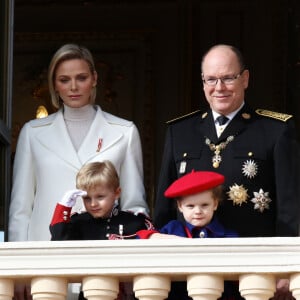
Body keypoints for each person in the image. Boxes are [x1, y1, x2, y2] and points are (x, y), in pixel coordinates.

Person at [154, 44, 299, 299]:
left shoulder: (275, 130)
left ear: (245, 79)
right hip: (188, 274)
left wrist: (287, 266)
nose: (219, 87)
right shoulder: (180, 131)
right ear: (203, 82)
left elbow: (290, 207)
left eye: (228, 78)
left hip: (253, 272)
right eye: (211, 79)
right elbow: (164, 209)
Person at [9, 43, 149, 243]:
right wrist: (19, 262)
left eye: (81, 78)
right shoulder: (32, 133)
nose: (73, 87)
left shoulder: (124, 132)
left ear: (94, 78)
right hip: (44, 249)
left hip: (106, 251)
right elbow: (20, 209)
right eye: (64, 80)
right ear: (54, 84)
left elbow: (134, 205)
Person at [50, 160, 154, 300]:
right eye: (87, 198)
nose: (93, 204)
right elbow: (58, 243)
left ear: (117, 193)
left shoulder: (135, 222)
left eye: (100, 197)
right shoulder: (78, 222)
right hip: (90, 293)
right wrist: (63, 209)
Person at [137, 170, 239, 300]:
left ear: (215, 203)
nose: (198, 211)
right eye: (190, 206)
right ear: (180, 206)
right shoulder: (173, 228)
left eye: (204, 205)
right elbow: (139, 238)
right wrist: (163, 238)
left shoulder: (228, 235)